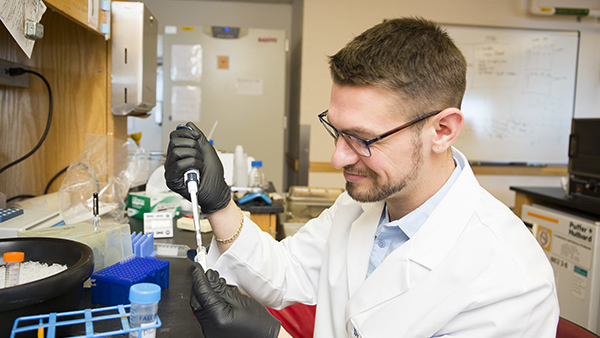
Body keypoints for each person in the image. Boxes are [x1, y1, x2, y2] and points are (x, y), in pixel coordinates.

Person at [166, 17, 559, 338]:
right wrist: (218, 202)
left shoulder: (511, 284)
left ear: (442, 130)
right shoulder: (363, 204)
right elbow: (285, 273)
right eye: (336, 130)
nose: (338, 157)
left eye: (363, 138)